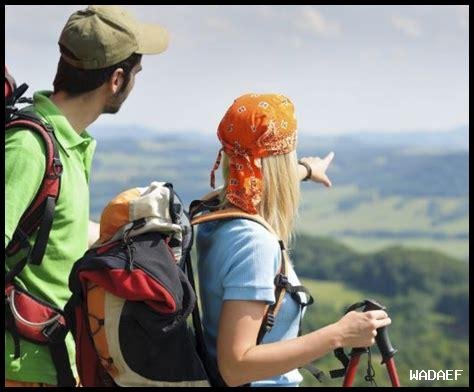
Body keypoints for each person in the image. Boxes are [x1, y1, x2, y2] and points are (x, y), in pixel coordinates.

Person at [5, 5, 168, 387]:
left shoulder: (68, 143)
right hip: (21, 371)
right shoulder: (28, 148)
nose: (135, 82)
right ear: (116, 79)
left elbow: (55, 236)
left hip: (54, 363)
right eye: (136, 73)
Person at [196, 93, 391, 387]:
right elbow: (235, 366)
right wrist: (340, 333)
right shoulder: (254, 245)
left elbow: (255, 174)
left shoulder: (214, 209)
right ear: (278, 163)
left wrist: (307, 170)